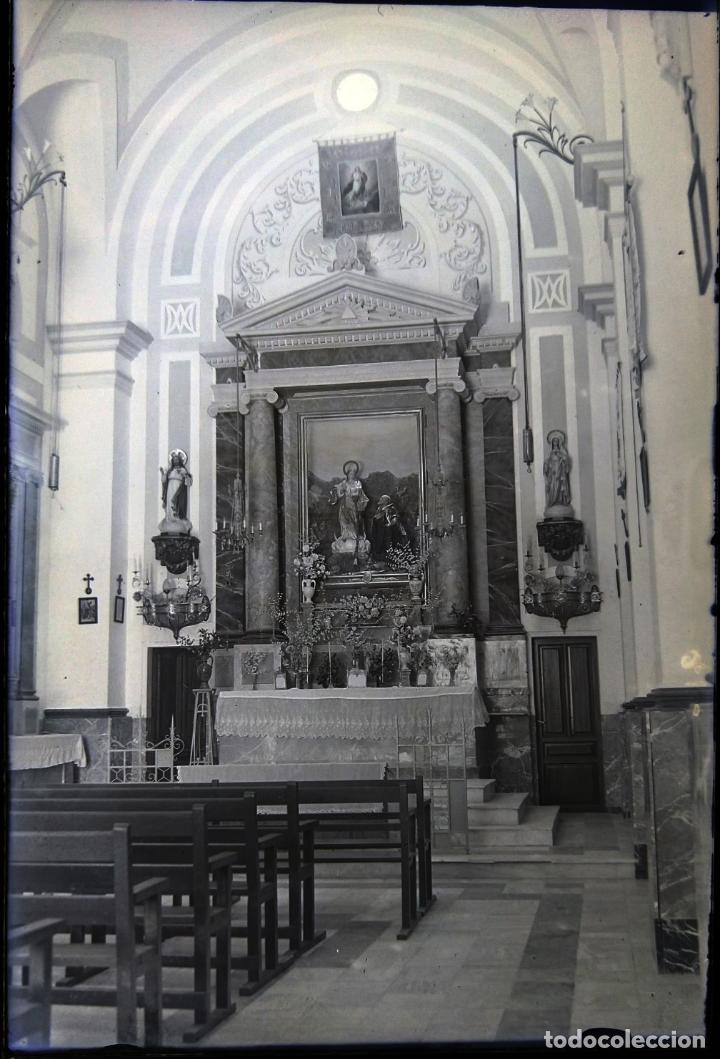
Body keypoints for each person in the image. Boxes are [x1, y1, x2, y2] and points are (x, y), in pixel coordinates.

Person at [328, 460, 370, 562]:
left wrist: (361, 504)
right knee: (344, 523)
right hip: (344, 507)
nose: (351, 475)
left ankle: (354, 538)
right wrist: (338, 491)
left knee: (354, 523)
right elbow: (338, 493)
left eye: (353, 473)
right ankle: (345, 536)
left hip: (354, 507)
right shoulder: (343, 483)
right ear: (347, 474)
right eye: (350, 473)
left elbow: (362, 496)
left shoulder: (358, 483)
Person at [370, 494, 407, 560]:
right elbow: (376, 519)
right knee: (380, 546)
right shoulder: (379, 509)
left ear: (386, 501)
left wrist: (390, 524)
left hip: (390, 532)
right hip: (380, 532)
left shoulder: (391, 509)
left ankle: (391, 560)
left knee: (390, 546)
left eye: (382, 499)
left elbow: (395, 519)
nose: (380, 501)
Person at [160, 449, 193, 522]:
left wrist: (185, 475)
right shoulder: (170, 470)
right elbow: (164, 481)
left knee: (177, 501)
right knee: (169, 502)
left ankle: (177, 520)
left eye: (177, 459)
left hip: (179, 488)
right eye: (174, 460)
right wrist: (163, 473)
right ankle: (170, 519)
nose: (175, 461)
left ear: (180, 461)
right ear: (172, 461)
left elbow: (188, 482)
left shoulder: (182, 469)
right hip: (170, 488)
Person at [543, 431, 572, 513]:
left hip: (560, 472)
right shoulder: (550, 453)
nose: (555, 442)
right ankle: (552, 502)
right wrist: (547, 465)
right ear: (552, 443)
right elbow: (547, 462)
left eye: (557, 441)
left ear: (559, 442)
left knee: (560, 487)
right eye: (554, 441)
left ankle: (561, 500)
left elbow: (566, 460)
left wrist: (562, 457)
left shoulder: (562, 451)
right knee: (552, 487)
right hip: (552, 473)